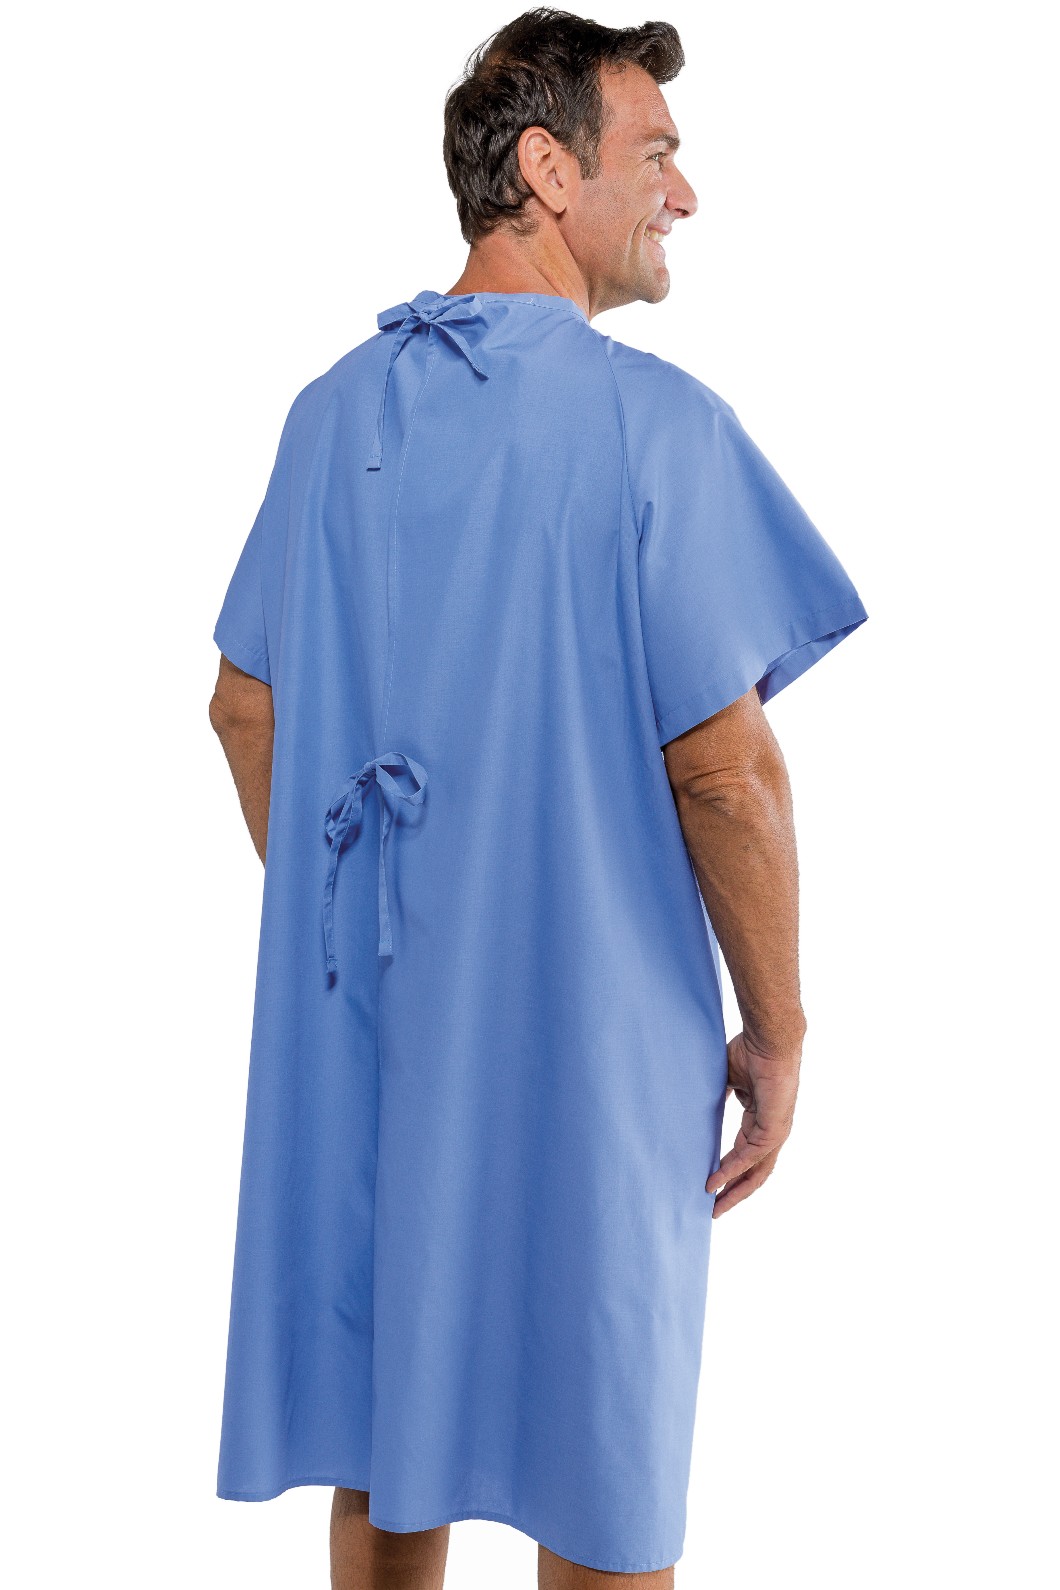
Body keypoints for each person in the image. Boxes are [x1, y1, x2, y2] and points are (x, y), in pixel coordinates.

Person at [208, 9, 869, 1588]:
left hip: (371, 1038)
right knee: (602, 1460)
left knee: (388, 1443)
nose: (684, 195)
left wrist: (367, 924)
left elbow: (244, 708)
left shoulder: (330, 414)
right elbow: (726, 775)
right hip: (595, 1049)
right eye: (660, 156)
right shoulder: (652, 426)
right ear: (549, 171)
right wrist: (778, 1033)